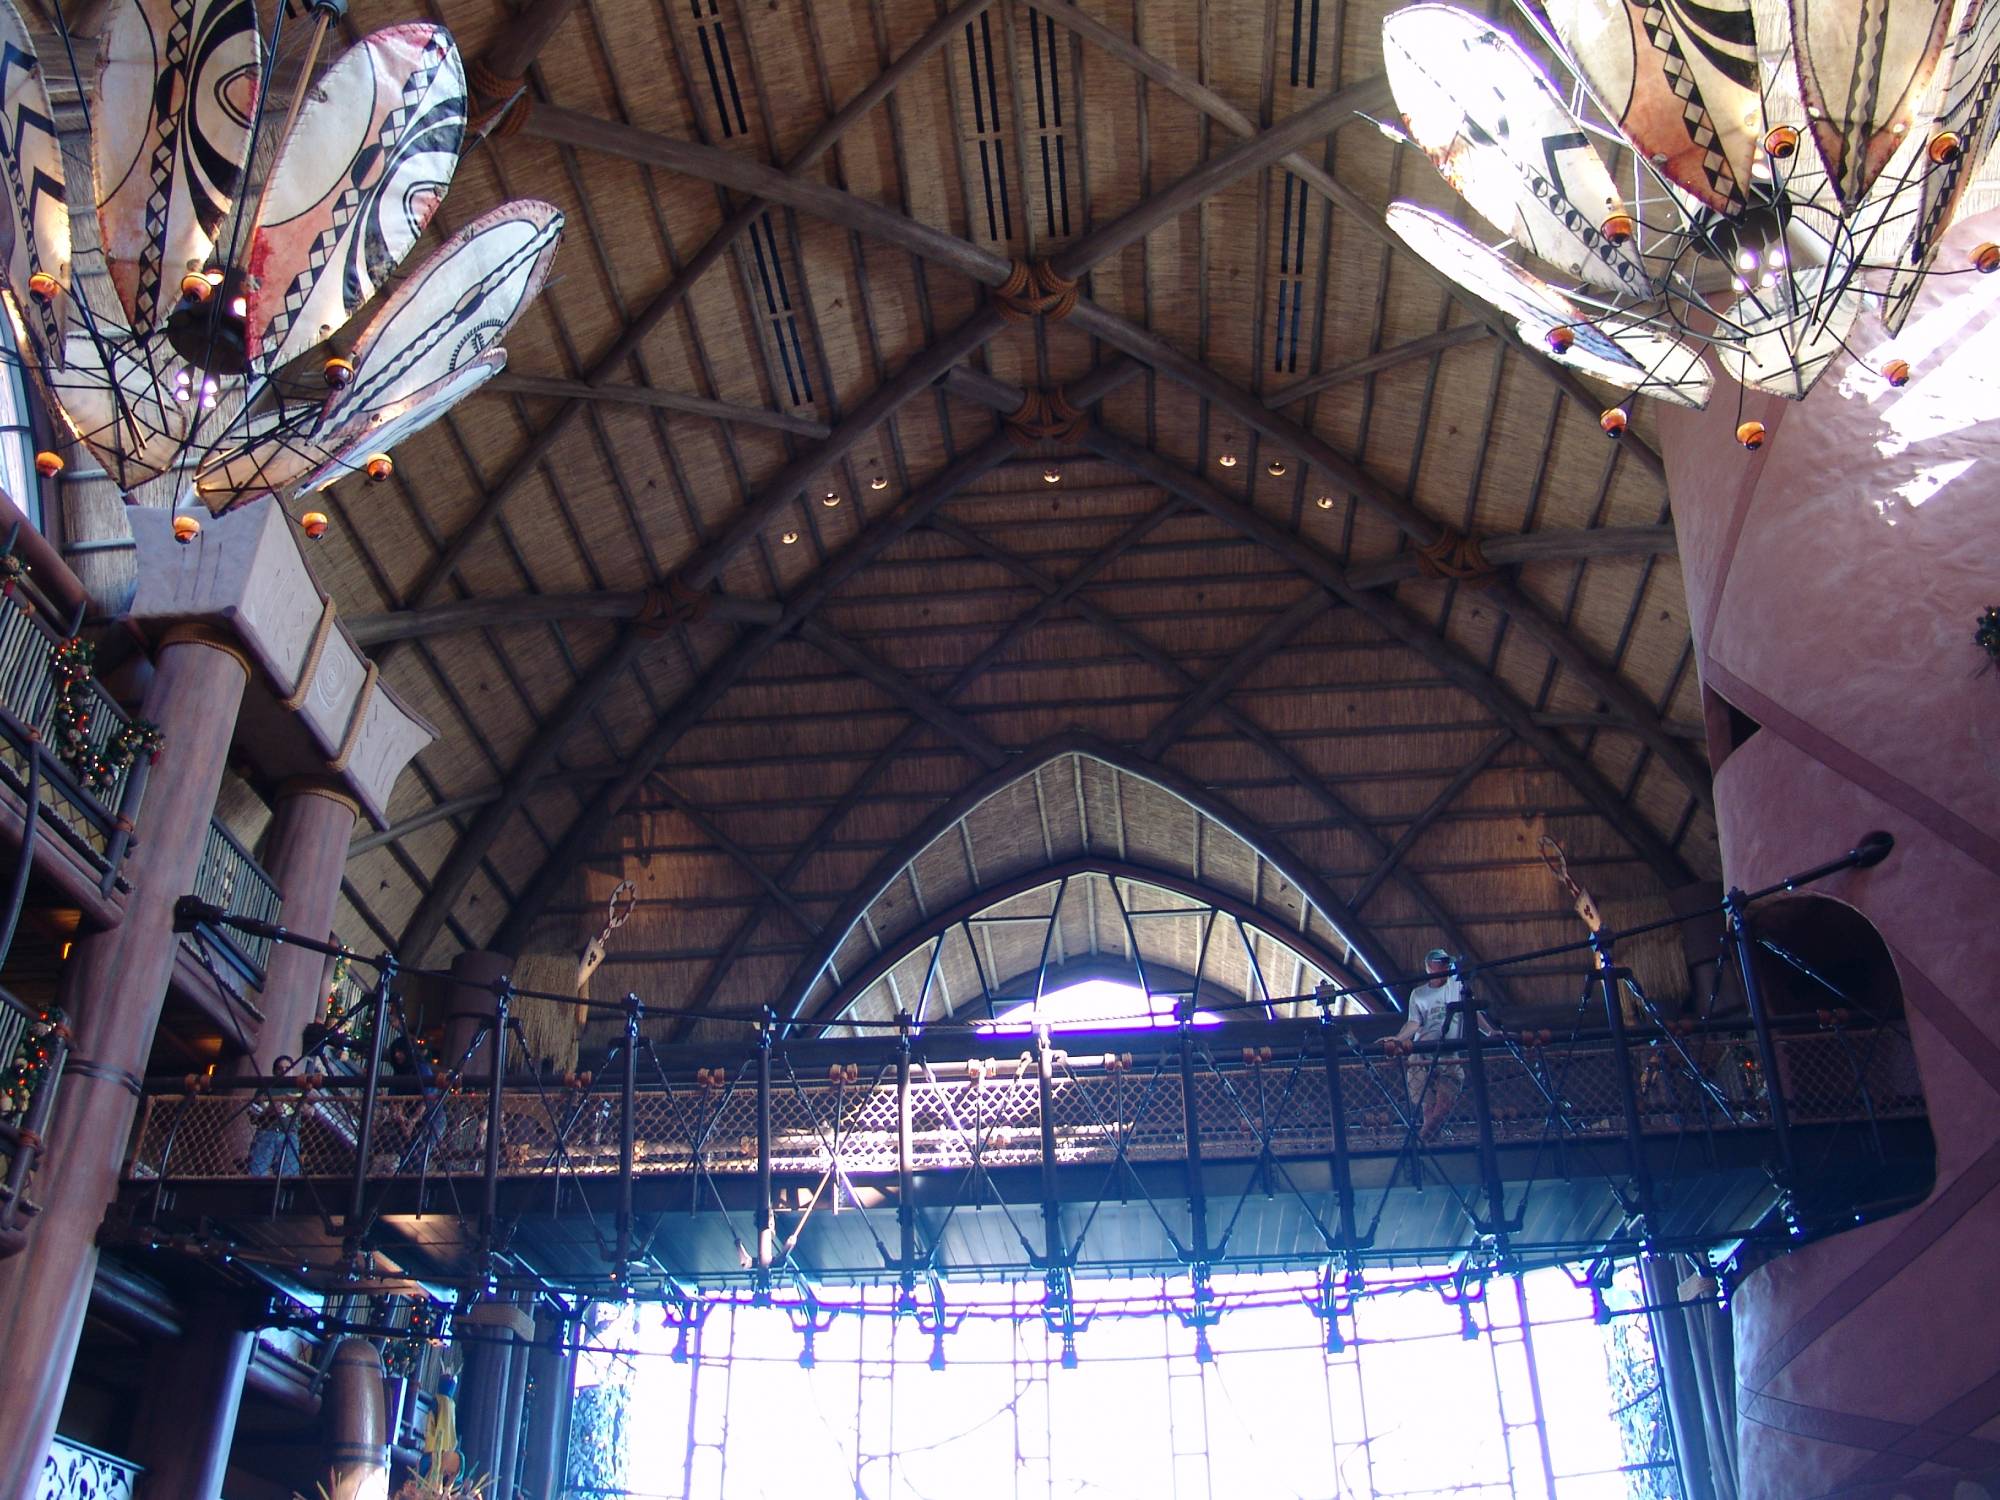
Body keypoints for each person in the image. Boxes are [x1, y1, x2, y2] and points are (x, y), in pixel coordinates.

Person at [1384, 949, 1495, 1141]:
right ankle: (1430, 1140)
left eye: (1446, 963)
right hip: (1421, 1052)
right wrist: (1398, 1039)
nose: (1444, 967)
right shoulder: (1418, 994)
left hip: (1449, 1052)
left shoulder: (1457, 986)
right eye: (1440, 963)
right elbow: (1414, 1023)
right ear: (1429, 967)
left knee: (1444, 1103)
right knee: (1427, 1107)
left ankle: (1422, 1141)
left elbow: (1472, 1011)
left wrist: (1490, 1031)